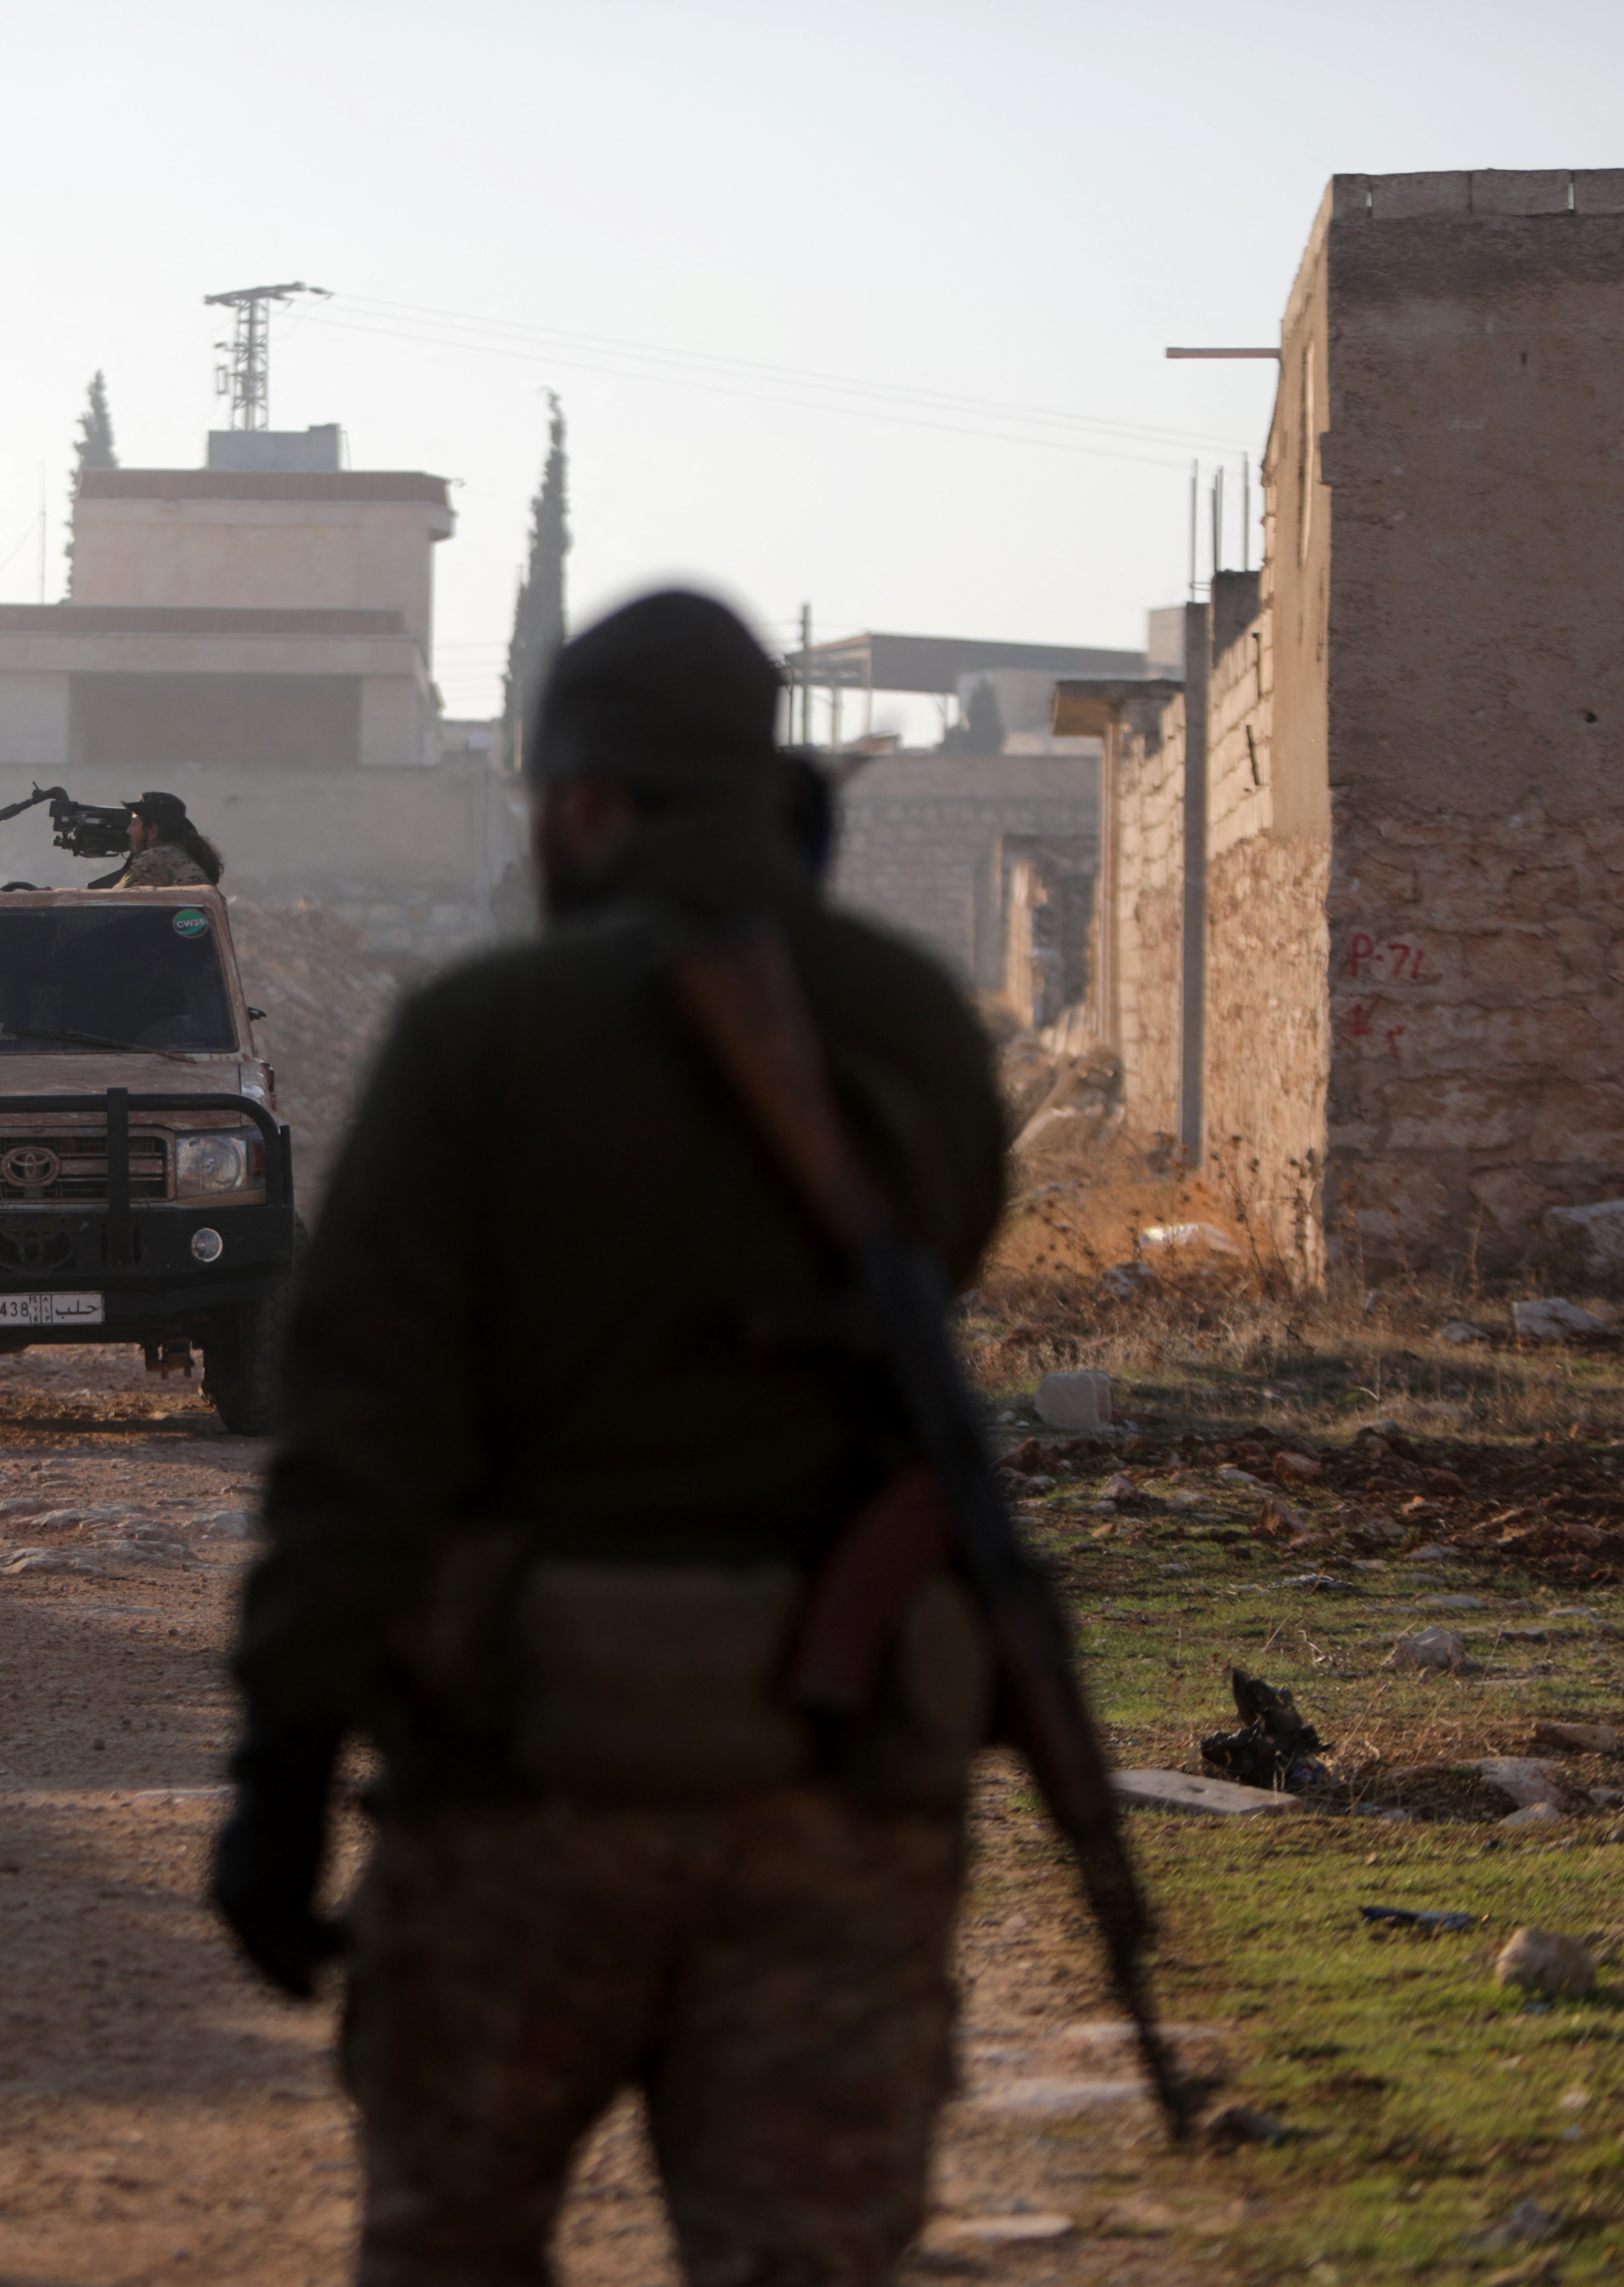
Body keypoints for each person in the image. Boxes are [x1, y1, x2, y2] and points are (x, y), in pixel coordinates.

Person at [210, 590, 1010, 2287]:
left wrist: (282, 1776)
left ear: (581, 803)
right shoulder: (917, 1028)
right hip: (832, 1793)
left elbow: (358, 1448)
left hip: (522, 1799)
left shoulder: (478, 1038)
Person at [115, 789, 223, 886]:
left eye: (134, 823)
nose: (128, 831)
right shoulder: (184, 856)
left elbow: (115, 898)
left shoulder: (155, 858)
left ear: (154, 830)